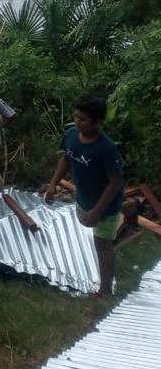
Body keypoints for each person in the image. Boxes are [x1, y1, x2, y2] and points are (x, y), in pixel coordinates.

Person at [43, 95, 123, 298]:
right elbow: (66, 158)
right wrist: (53, 184)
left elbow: (115, 182)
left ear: (98, 122)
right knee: (86, 224)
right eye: (76, 117)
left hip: (106, 204)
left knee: (102, 243)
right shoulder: (71, 135)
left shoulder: (106, 148)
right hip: (84, 197)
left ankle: (105, 290)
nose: (77, 122)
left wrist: (97, 210)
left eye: (83, 119)